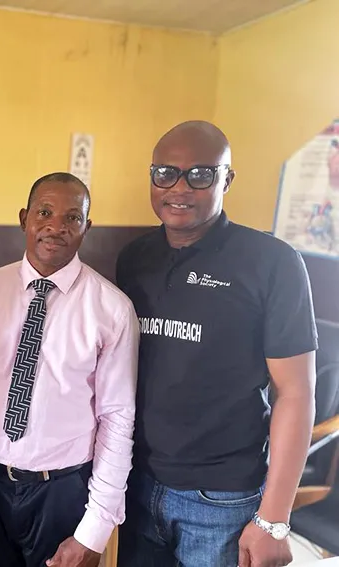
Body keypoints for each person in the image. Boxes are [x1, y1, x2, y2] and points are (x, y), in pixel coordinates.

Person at [115, 121, 318, 567]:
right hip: (135, 483)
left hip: (221, 500)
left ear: (227, 178)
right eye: (164, 173)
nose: (179, 188)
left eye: (201, 174)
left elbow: (296, 393)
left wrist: (273, 521)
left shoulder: (272, 263)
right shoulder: (134, 259)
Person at [0, 172, 139, 567]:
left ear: (87, 226)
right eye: (45, 212)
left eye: (73, 217)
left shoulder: (112, 309)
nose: (56, 226)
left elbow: (117, 419)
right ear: (24, 219)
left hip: (64, 490)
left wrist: (95, 529)